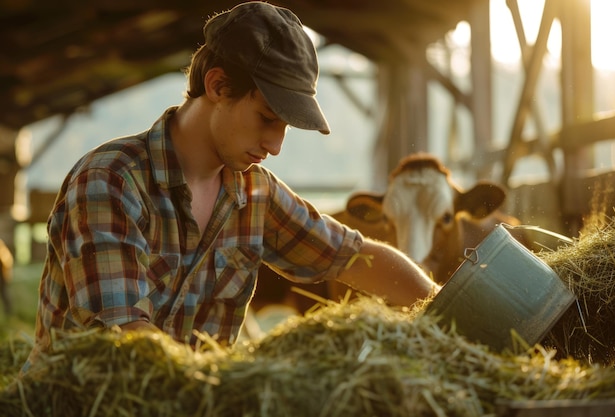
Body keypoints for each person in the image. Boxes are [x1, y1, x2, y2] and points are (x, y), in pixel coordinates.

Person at [23, 1, 439, 371]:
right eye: (267, 117)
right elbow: (126, 339)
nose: (276, 146)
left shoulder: (256, 193)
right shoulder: (110, 182)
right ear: (218, 86)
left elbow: (353, 258)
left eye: (286, 127)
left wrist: (447, 311)